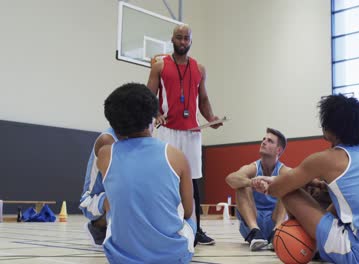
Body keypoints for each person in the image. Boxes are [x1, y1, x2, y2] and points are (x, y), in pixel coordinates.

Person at [253, 94, 359, 264]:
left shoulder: (327, 158)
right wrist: (316, 184)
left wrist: (266, 183)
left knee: (289, 192)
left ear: (329, 129)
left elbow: (279, 188)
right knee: (339, 198)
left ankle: (307, 243)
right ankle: (315, 242)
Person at [97, 83, 196, 263]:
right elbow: (188, 211)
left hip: (119, 258)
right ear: (153, 117)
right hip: (174, 258)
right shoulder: (177, 156)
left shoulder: (105, 155)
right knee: (190, 211)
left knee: (112, 204)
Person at [147, 24, 222, 245]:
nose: (182, 42)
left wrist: (211, 119)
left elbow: (204, 100)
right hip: (167, 131)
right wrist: (157, 113)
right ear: (172, 39)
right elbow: (149, 96)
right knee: (164, 179)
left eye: (186, 38)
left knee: (193, 181)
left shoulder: (200, 68)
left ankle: (196, 229)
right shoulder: (159, 66)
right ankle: (161, 226)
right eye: (178, 37)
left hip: (192, 132)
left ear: (190, 41)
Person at [225, 128, 290, 251]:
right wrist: (252, 183)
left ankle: (277, 232)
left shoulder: (283, 170)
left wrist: (272, 184)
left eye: (270, 141)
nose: (264, 142)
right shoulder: (252, 167)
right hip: (252, 222)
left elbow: (299, 180)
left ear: (278, 150)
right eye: (263, 139)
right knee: (241, 184)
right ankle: (256, 233)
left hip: (274, 220)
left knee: (288, 185)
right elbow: (230, 178)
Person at [79, 128, 119, 246]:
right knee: (119, 195)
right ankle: (106, 235)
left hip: (113, 195)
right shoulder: (107, 140)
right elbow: (118, 183)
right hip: (92, 200)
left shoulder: (134, 138)